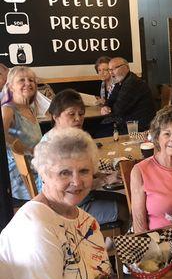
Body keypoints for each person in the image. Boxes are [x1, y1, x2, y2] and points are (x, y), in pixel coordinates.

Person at [0, 127, 128, 279]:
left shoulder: (87, 222)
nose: (76, 181)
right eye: (64, 172)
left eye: (84, 170)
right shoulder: (35, 227)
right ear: (44, 174)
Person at [47, 89, 129, 230]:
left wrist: (101, 175)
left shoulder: (67, 138)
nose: (78, 118)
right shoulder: (57, 147)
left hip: (75, 199)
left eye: (81, 114)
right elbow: (68, 187)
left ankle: (110, 244)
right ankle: (110, 246)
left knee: (125, 199)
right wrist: (104, 180)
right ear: (55, 116)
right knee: (127, 208)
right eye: (71, 114)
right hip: (65, 208)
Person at [1, 66, 42, 205]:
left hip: (37, 166)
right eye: (21, 80)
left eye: (31, 80)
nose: (28, 83)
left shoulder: (30, 108)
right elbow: (3, 137)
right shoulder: (8, 109)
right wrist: (28, 149)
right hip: (22, 176)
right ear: (11, 86)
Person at [101, 57, 156, 134]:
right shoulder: (121, 81)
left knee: (98, 132)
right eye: (109, 70)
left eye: (113, 69)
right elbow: (111, 99)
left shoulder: (132, 83)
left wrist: (108, 109)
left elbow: (119, 109)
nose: (111, 73)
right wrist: (106, 106)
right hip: (127, 122)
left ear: (126, 67)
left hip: (139, 127)